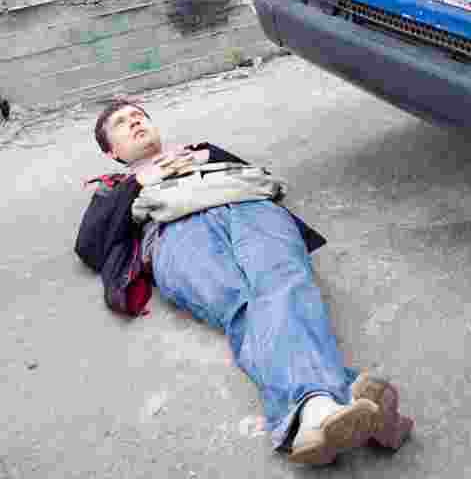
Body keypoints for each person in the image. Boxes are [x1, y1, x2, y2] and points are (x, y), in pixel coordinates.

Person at [74, 99, 412, 466]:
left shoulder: (200, 153)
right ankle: (339, 397)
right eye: (122, 123)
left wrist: (202, 160)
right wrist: (140, 181)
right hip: (177, 234)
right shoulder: (116, 187)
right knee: (243, 306)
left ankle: (315, 411)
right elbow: (90, 246)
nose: (135, 122)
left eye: (139, 116)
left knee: (285, 285)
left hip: (251, 209)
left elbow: (260, 176)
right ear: (111, 152)